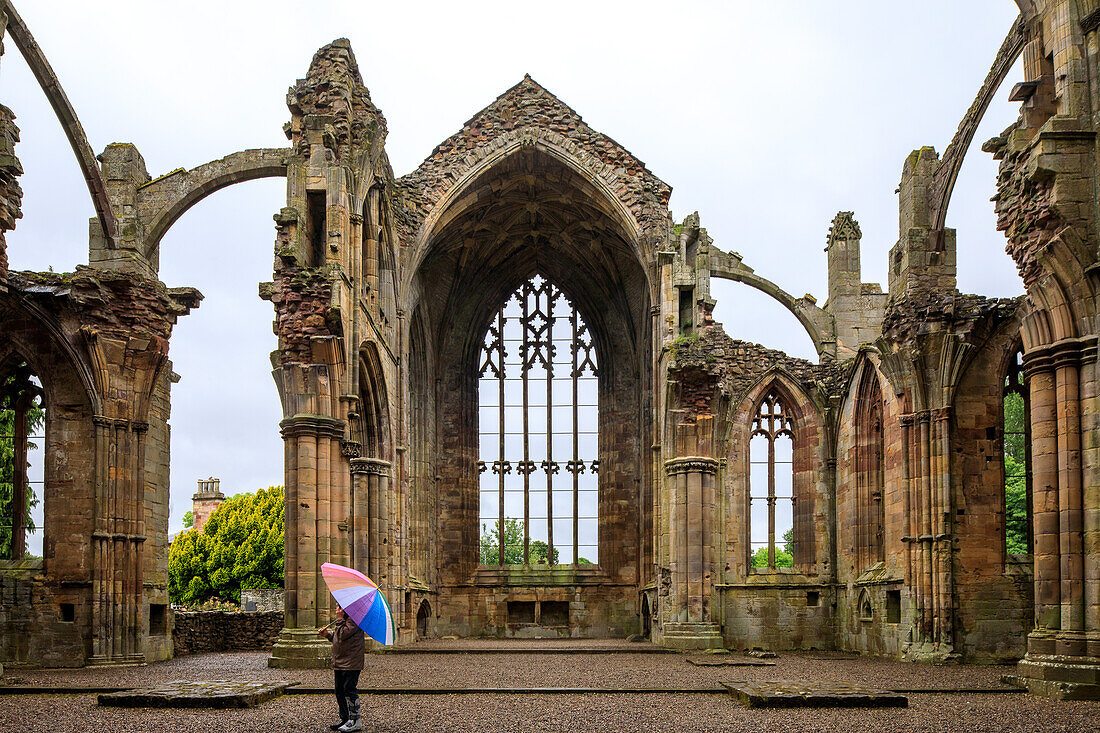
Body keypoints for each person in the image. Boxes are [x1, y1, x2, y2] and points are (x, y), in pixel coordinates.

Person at [319, 605, 365, 732]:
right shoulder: (346, 620)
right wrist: (327, 635)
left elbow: (344, 634)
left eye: (339, 608)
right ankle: (345, 719)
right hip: (340, 662)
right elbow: (338, 638)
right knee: (339, 691)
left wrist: (339, 619)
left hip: (351, 662)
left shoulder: (355, 619)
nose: (337, 610)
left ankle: (355, 721)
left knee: (349, 690)